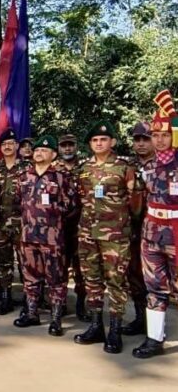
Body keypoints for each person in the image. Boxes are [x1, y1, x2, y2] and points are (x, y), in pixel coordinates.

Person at [73, 120, 140, 354]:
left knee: (116, 282)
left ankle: (115, 329)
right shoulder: (82, 168)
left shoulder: (125, 167)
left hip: (115, 236)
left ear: (112, 142)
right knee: (92, 280)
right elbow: (78, 198)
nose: (99, 143)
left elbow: (135, 202)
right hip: (87, 233)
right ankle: (95, 325)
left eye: (103, 139)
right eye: (95, 140)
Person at [12, 135, 75, 336]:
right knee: (30, 276)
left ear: (53, 155)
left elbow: (71, 206)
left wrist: (53, 218)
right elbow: (17, 202)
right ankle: (32, 313)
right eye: (37, 150)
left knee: (56, 278)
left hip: (52, 237)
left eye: (44, 150)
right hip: (28, 235)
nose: (39, 153)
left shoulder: (61, 177)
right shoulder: (24, 176)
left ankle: (56, 318)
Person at [132, 92, 178, 359]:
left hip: (176, 233)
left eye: (164, 135)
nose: (159, 140)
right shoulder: (146, 167)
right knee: (155, 288)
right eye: (154, 135)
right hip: (151, 235)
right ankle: (154, 338)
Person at [121, 122, 155, 336]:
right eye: (137, 139)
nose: (141, 143)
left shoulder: (165, 164)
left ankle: (156, 324)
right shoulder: (127, 166)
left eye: (145, 139)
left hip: (158, 231)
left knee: (158, 279)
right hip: (132, 230)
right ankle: (141, 319)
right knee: (134, 275)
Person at [0, 128, 27, 315]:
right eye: (4, 144)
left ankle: (30, 298)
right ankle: (6, 297)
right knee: (3, 262)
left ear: (17, 146)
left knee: (25, 262)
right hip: (1, 223)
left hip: (23, 224)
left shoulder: (27, 168)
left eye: (11, 144)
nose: (7, 147)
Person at [56, 133, 87, 320]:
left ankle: (81, 304)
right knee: (59, 268)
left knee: (81, 268)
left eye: (70, 145)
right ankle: (59, 305)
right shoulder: (52, 169)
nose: (67, 149)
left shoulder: (86, 168)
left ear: (76, 146)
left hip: (81, 226)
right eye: (63, 145)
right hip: (59, 226)